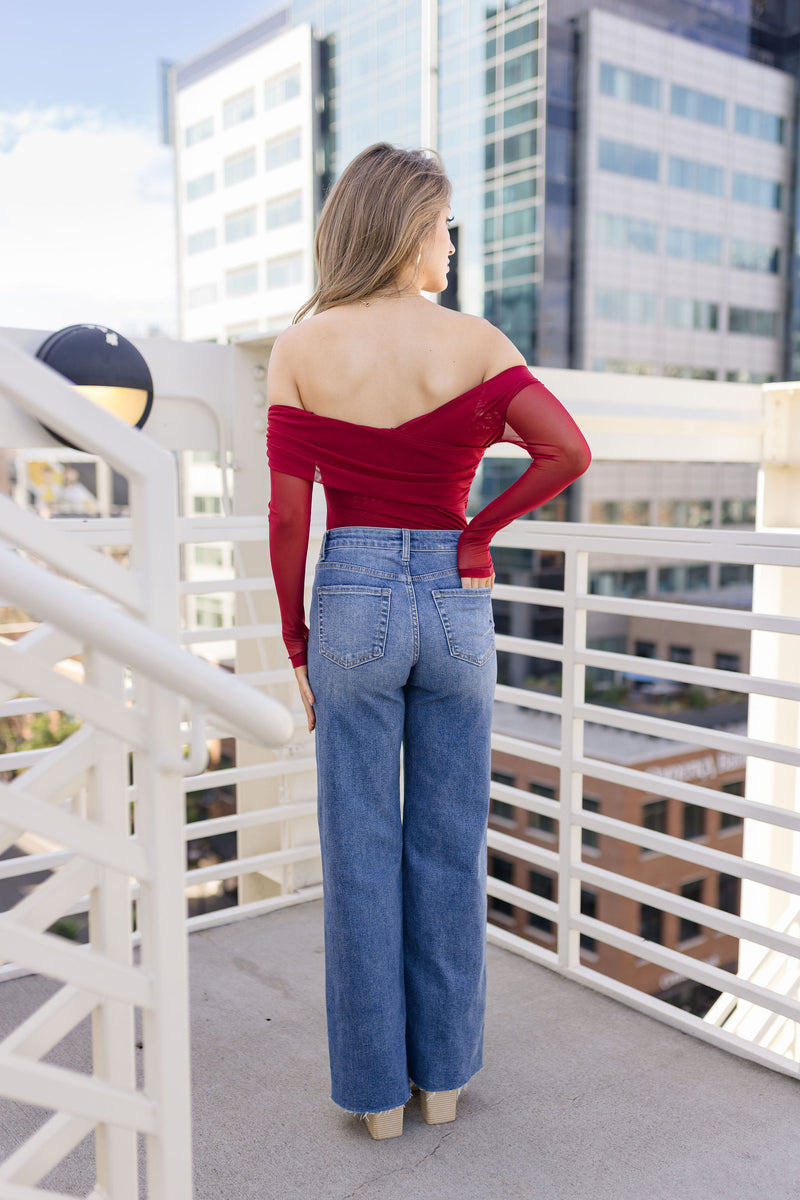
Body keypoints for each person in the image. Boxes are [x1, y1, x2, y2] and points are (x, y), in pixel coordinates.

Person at [266, 143, 591, 1140]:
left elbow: (285, 524)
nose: (450, 244)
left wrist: (296, 645)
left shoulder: (301, 348)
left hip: (354, 596)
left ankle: (373, 1101)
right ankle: (441, 1081)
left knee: (358, 853)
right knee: (447, 849)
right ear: (407, 227)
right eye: (443, 225)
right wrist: (476, 535)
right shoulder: (477, 344)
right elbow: (566, 451)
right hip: (455, 600)